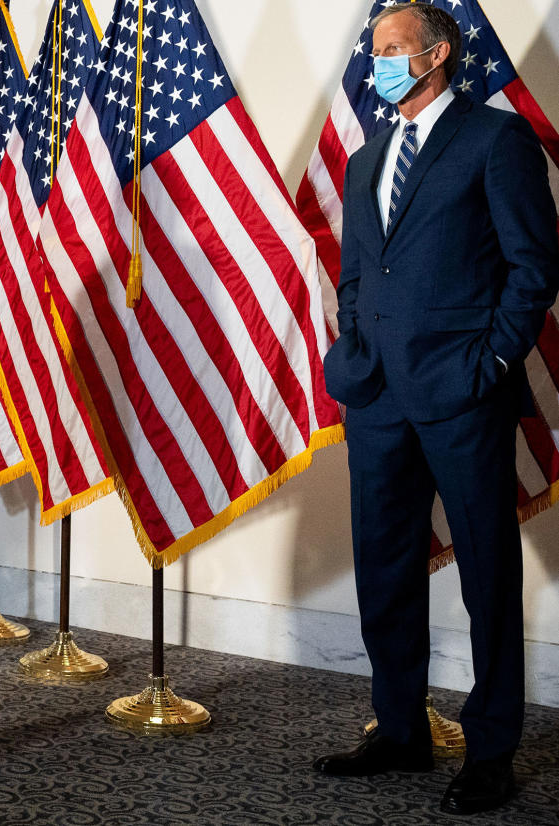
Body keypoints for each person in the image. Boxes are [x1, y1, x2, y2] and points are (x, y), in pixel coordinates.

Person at [316, 3, 559, 816]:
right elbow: (355, 273)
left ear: (436, 54)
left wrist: (490, 359)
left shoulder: (494, 141)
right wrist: (350, 346)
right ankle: (398, 728)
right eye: (373, 49)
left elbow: (533, 265)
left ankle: (490, 748)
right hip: (376, 398)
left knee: (486, 574)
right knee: (384, 568)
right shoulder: (363, 160)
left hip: (461, 394)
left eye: (389, 50)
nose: (377, 61)